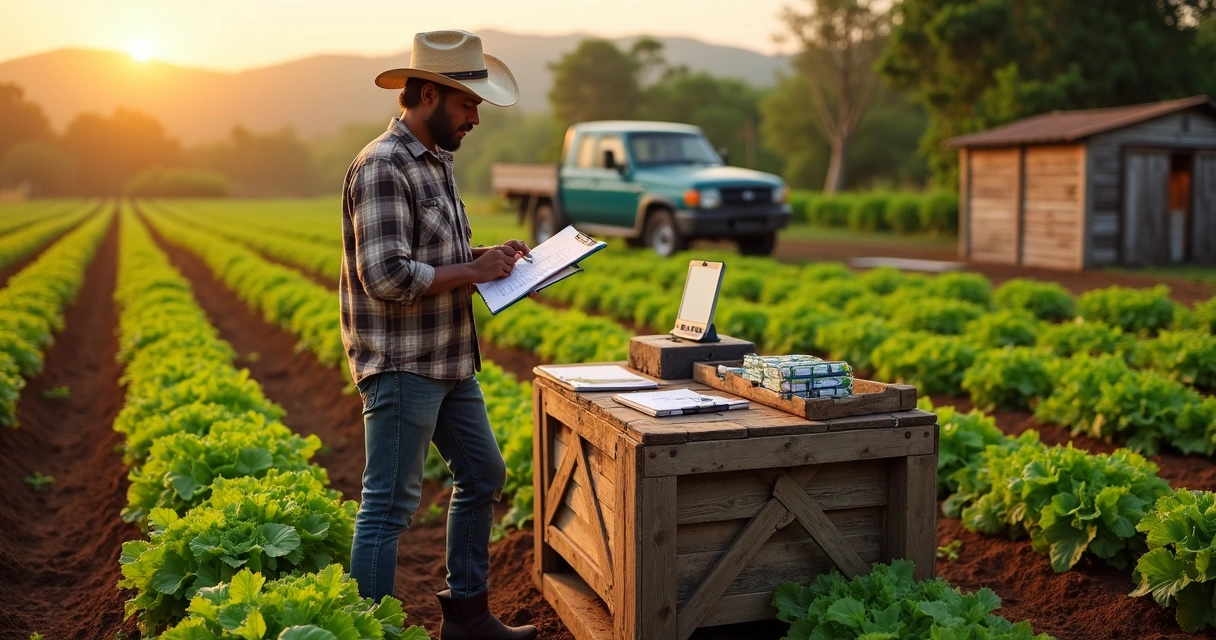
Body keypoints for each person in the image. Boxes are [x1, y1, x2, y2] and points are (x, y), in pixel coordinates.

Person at [340, 29, 538, 640]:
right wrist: (471, 271)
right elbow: (385, 275)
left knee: (483, 475)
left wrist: (491, 259)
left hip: (449, 360)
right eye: (468, 104)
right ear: (429, 95)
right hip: (402, 364)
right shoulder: (382, 166)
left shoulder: (436, 162)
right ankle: (367, 630)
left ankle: (468, 620)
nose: (475, 118)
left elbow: (439, 255)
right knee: (388, 508)